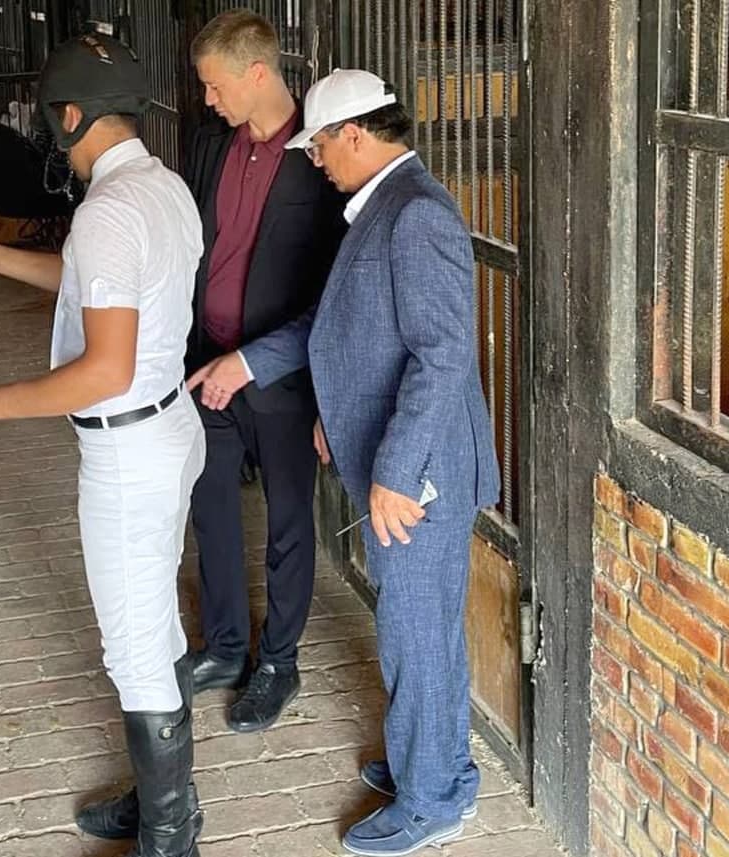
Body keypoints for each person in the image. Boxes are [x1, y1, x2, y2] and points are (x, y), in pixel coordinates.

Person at [190, 69, 501, 856]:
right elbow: (341, 327)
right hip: (404, 462)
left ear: (354, 135)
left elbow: (440, 356)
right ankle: (437, 763)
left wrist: (395, 471)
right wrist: (272, 376)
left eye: (320, 145)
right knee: (422, 627)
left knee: (414, 633)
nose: (315, 160)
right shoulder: (379, 206)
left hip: (420, 476)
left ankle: (431, 801)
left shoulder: (415, 214)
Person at [0, 34, 206, 857]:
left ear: (72, 115)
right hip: (169, 428)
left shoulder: (107, 213)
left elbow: (105, 367)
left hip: (127, 451)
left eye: (53, 120)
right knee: (155, 626)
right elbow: (101, 289)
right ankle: (164, 800)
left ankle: (170, 838)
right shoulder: (162, 188)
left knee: (134, 646)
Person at [179, 9, 350, 732]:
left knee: (287, 521)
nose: (208, 99)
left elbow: (337, 288)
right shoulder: (209, 142)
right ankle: (224, 647)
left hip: (283, 376)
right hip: (204, 360)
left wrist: (299, 381)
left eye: (216, 85)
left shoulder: (323, 154)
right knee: (211, 506)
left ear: (257, 73)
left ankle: (278, 660)